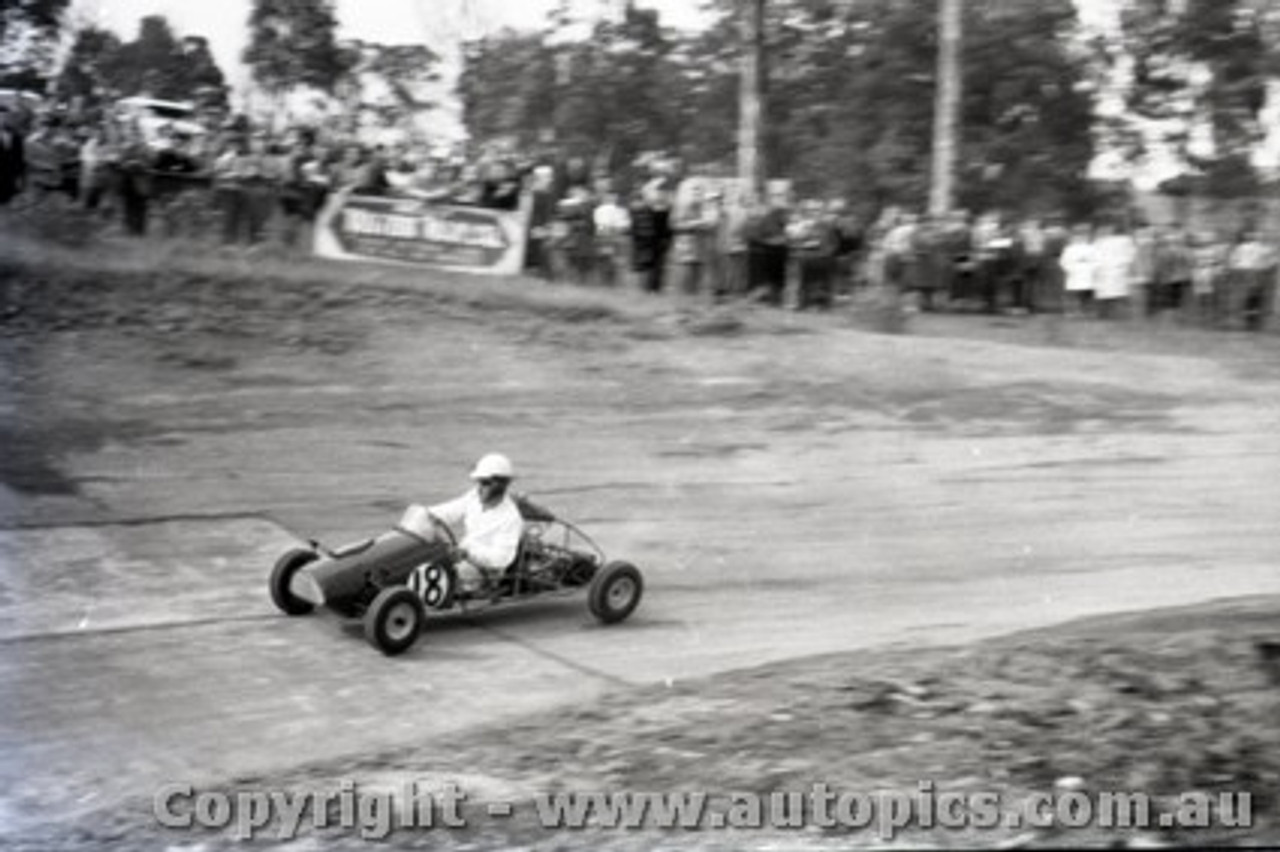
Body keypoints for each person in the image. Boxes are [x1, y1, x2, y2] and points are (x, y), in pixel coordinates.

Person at [426, 453, 524, 596]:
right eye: (478, 481)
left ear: (501, 484)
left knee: (443, 574)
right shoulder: (474, 497)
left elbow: (502, 558)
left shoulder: (511, 517)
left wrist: (469, 554)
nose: (479, 487)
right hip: (462, 558)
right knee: (424, 557)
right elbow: (451, 510)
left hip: (486, 573)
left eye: (485, 482)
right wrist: (426, 513)